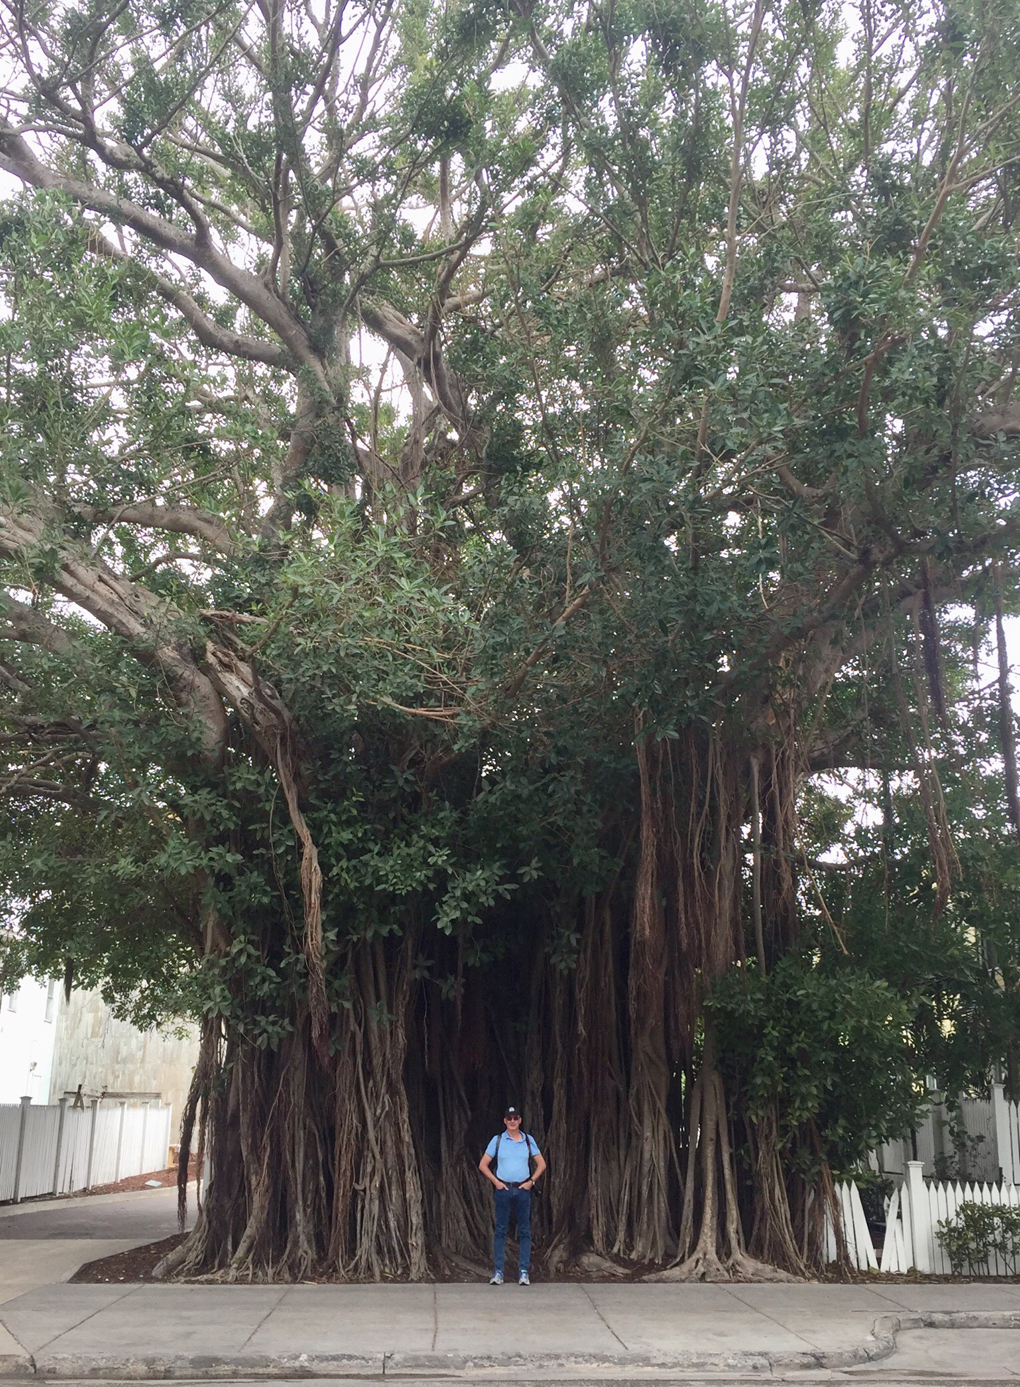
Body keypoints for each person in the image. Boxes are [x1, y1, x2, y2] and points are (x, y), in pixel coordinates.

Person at [478, 1105, 547, 1285]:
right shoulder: (498, 1140)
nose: (512, 1121)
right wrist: (496, 1183)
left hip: (523, 1190)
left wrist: (531, 1182)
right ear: (504, 1121)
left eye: (515, 1118)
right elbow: (483, 1164)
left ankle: (523, 1272)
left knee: (524, 1230)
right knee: (501, 1230)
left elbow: (541, 1164)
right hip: (504, 1190)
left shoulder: (527, 1140)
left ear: (520, 1120)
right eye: (509, 1118)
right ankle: (498, 1272)